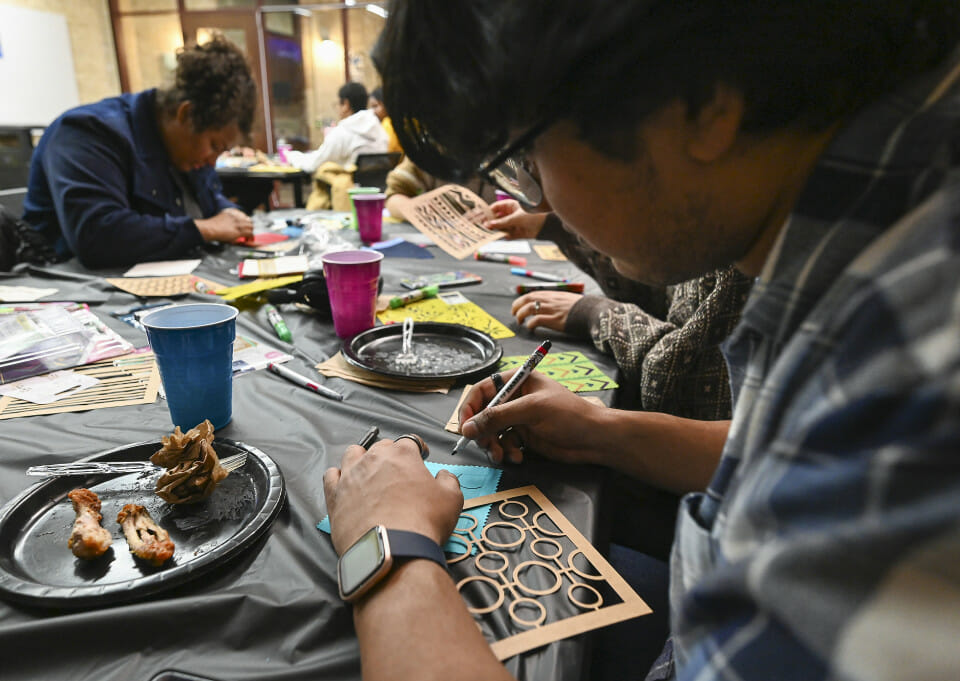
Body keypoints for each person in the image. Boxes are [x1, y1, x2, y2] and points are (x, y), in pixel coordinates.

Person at [323, 2, 960, 681]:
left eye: (528, 158)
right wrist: (603, 430)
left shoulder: (916, 363)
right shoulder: (873, 212)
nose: (543, 201)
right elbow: (790, 455)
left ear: (699, 103)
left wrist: (386, 548)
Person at [488, 201, 751, 420]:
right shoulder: (700, 214)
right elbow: (652, 290)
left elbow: (688, 389)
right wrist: (557, 227)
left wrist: (600, 315)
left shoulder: (739, 247)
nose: (546, 204)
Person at [23, 37, 256, 269]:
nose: (212, 161)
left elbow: (209, 201)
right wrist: (208, 229)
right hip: (73, 287)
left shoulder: (187, 154)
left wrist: (230, 214)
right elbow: (98, 237)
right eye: (214, 145)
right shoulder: (87, 133)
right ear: (186, 114)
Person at [286, 82, 388, 174]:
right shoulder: (380, 130)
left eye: (338, 104)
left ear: (346, 104)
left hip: (348, 190)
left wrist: (291, 156)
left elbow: (314, 164)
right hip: (377, 190)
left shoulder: (342, 132)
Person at [368, 86, 403, 154]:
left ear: (386, 104)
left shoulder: (388, 124)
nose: (373, 112)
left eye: (375, 106)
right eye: (371, 107)